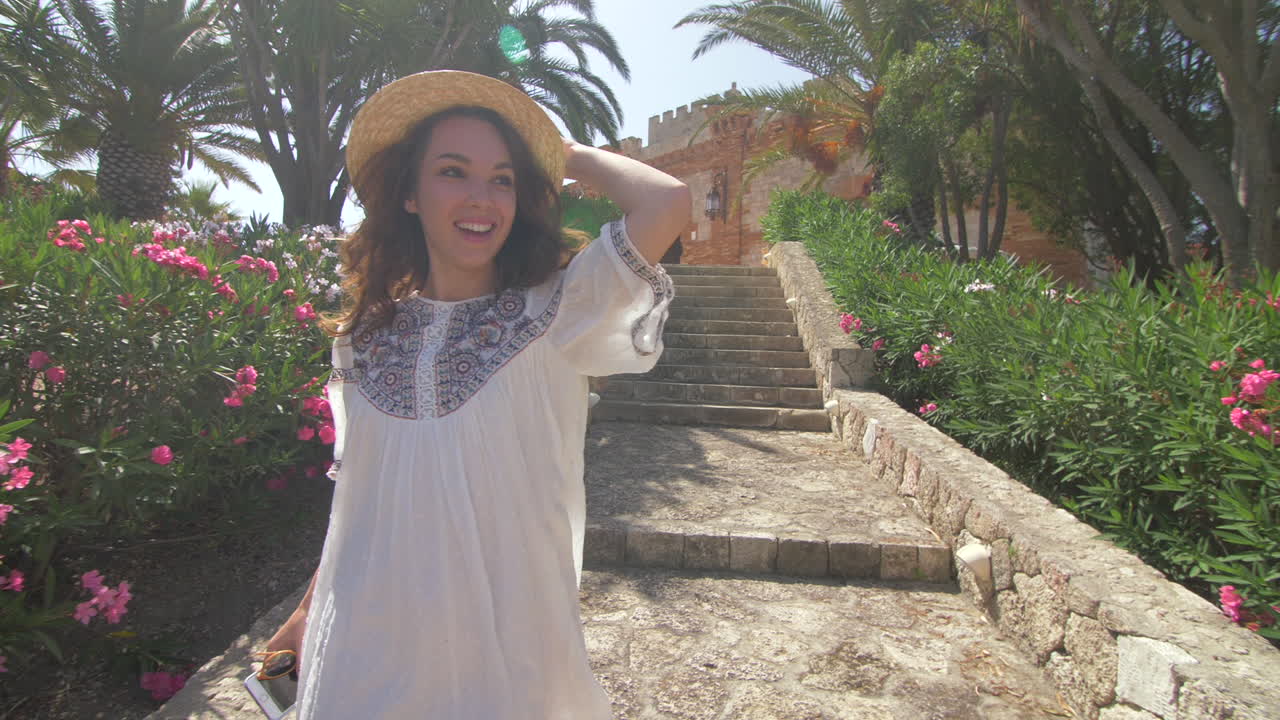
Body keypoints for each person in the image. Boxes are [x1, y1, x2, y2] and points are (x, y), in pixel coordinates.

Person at [263, 70, 689, 719]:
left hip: (507, 658)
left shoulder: (559, 312)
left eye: (502, 179)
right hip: (363, 648)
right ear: (409, 193)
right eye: (453, 172)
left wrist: (564, 154)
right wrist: (305, 610)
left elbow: (668, 202)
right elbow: (359, 498)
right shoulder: (363, 341)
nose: (481, 198)